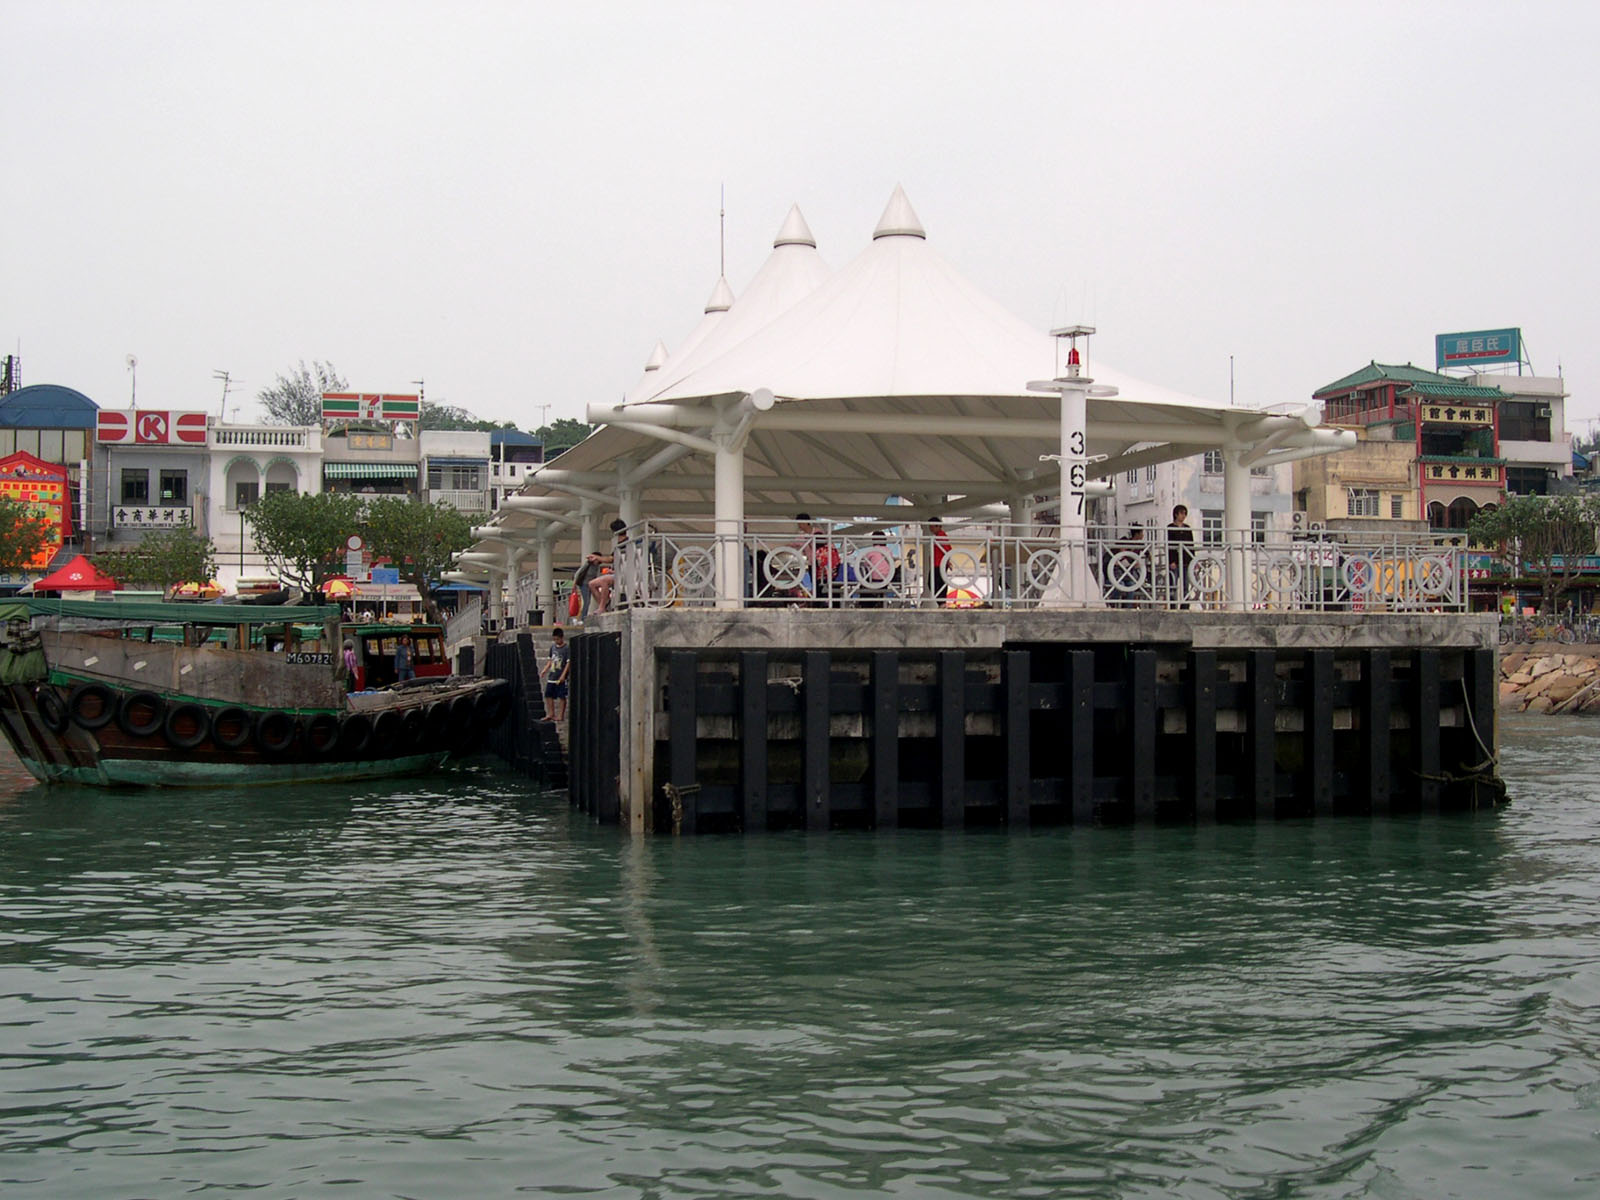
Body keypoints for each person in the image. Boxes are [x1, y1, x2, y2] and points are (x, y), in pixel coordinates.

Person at [1167, 505, 1195, 608]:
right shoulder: (1170, 528)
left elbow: (1191, 545)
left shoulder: (1187, 528)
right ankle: (1173, 605)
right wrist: (1171, 561)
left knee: (1185, 585)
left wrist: (1193, 560)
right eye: (1181, 513)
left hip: (1186, 560)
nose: (1183, 516)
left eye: (1185, 514)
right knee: (1173, 584)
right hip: (1175, 560)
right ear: (1176, 514)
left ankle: (1185, 606)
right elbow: (1169, 544)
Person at [541, 626, 571, 722]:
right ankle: (551, 713)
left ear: (562, 638)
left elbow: (568, 663)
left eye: (557, 639)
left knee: (562, 696)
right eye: (554, 639)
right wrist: (545, 669)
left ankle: (560, 715)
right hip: (552, 675)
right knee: (548, 695)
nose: (556, 641)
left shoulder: (566, 648)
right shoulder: (553, 648)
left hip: (560, 676)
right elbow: (550, 660)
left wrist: (563, 675)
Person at [929, 517, 952, 606]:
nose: (931, 529)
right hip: (938, 563)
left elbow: (947, 550)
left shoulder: (941, 536)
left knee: (936, 583)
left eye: (932, 526)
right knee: (937, 583)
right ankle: (941, 602)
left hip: (939, 564)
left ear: (938, 526)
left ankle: (941, 602)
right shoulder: (939, 536)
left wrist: (947, 562)